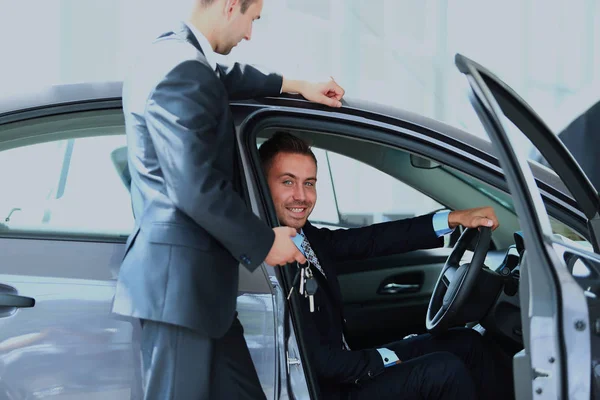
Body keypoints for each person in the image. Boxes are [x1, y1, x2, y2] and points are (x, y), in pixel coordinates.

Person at [111, 0, 346, 398]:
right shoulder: (182, 70)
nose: (250, 35)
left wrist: (297, 85)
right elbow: (194, 186)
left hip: (198, 296)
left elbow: (227, 76)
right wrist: (266, 241)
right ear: (231, 5)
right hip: (180, 294)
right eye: (252, 20)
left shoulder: (175, 57)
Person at [259, 132, 514, 400]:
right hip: (327, 388)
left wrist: (452, 218)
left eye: (309, 183)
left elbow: (370, 240)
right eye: (288, 181)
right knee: (444, 370)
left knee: (466, 343)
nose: (301, 196)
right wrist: (386, 360)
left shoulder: (304, 236)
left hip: (343, 366)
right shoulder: (270, 255)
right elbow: (321, 364)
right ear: (264, 186)